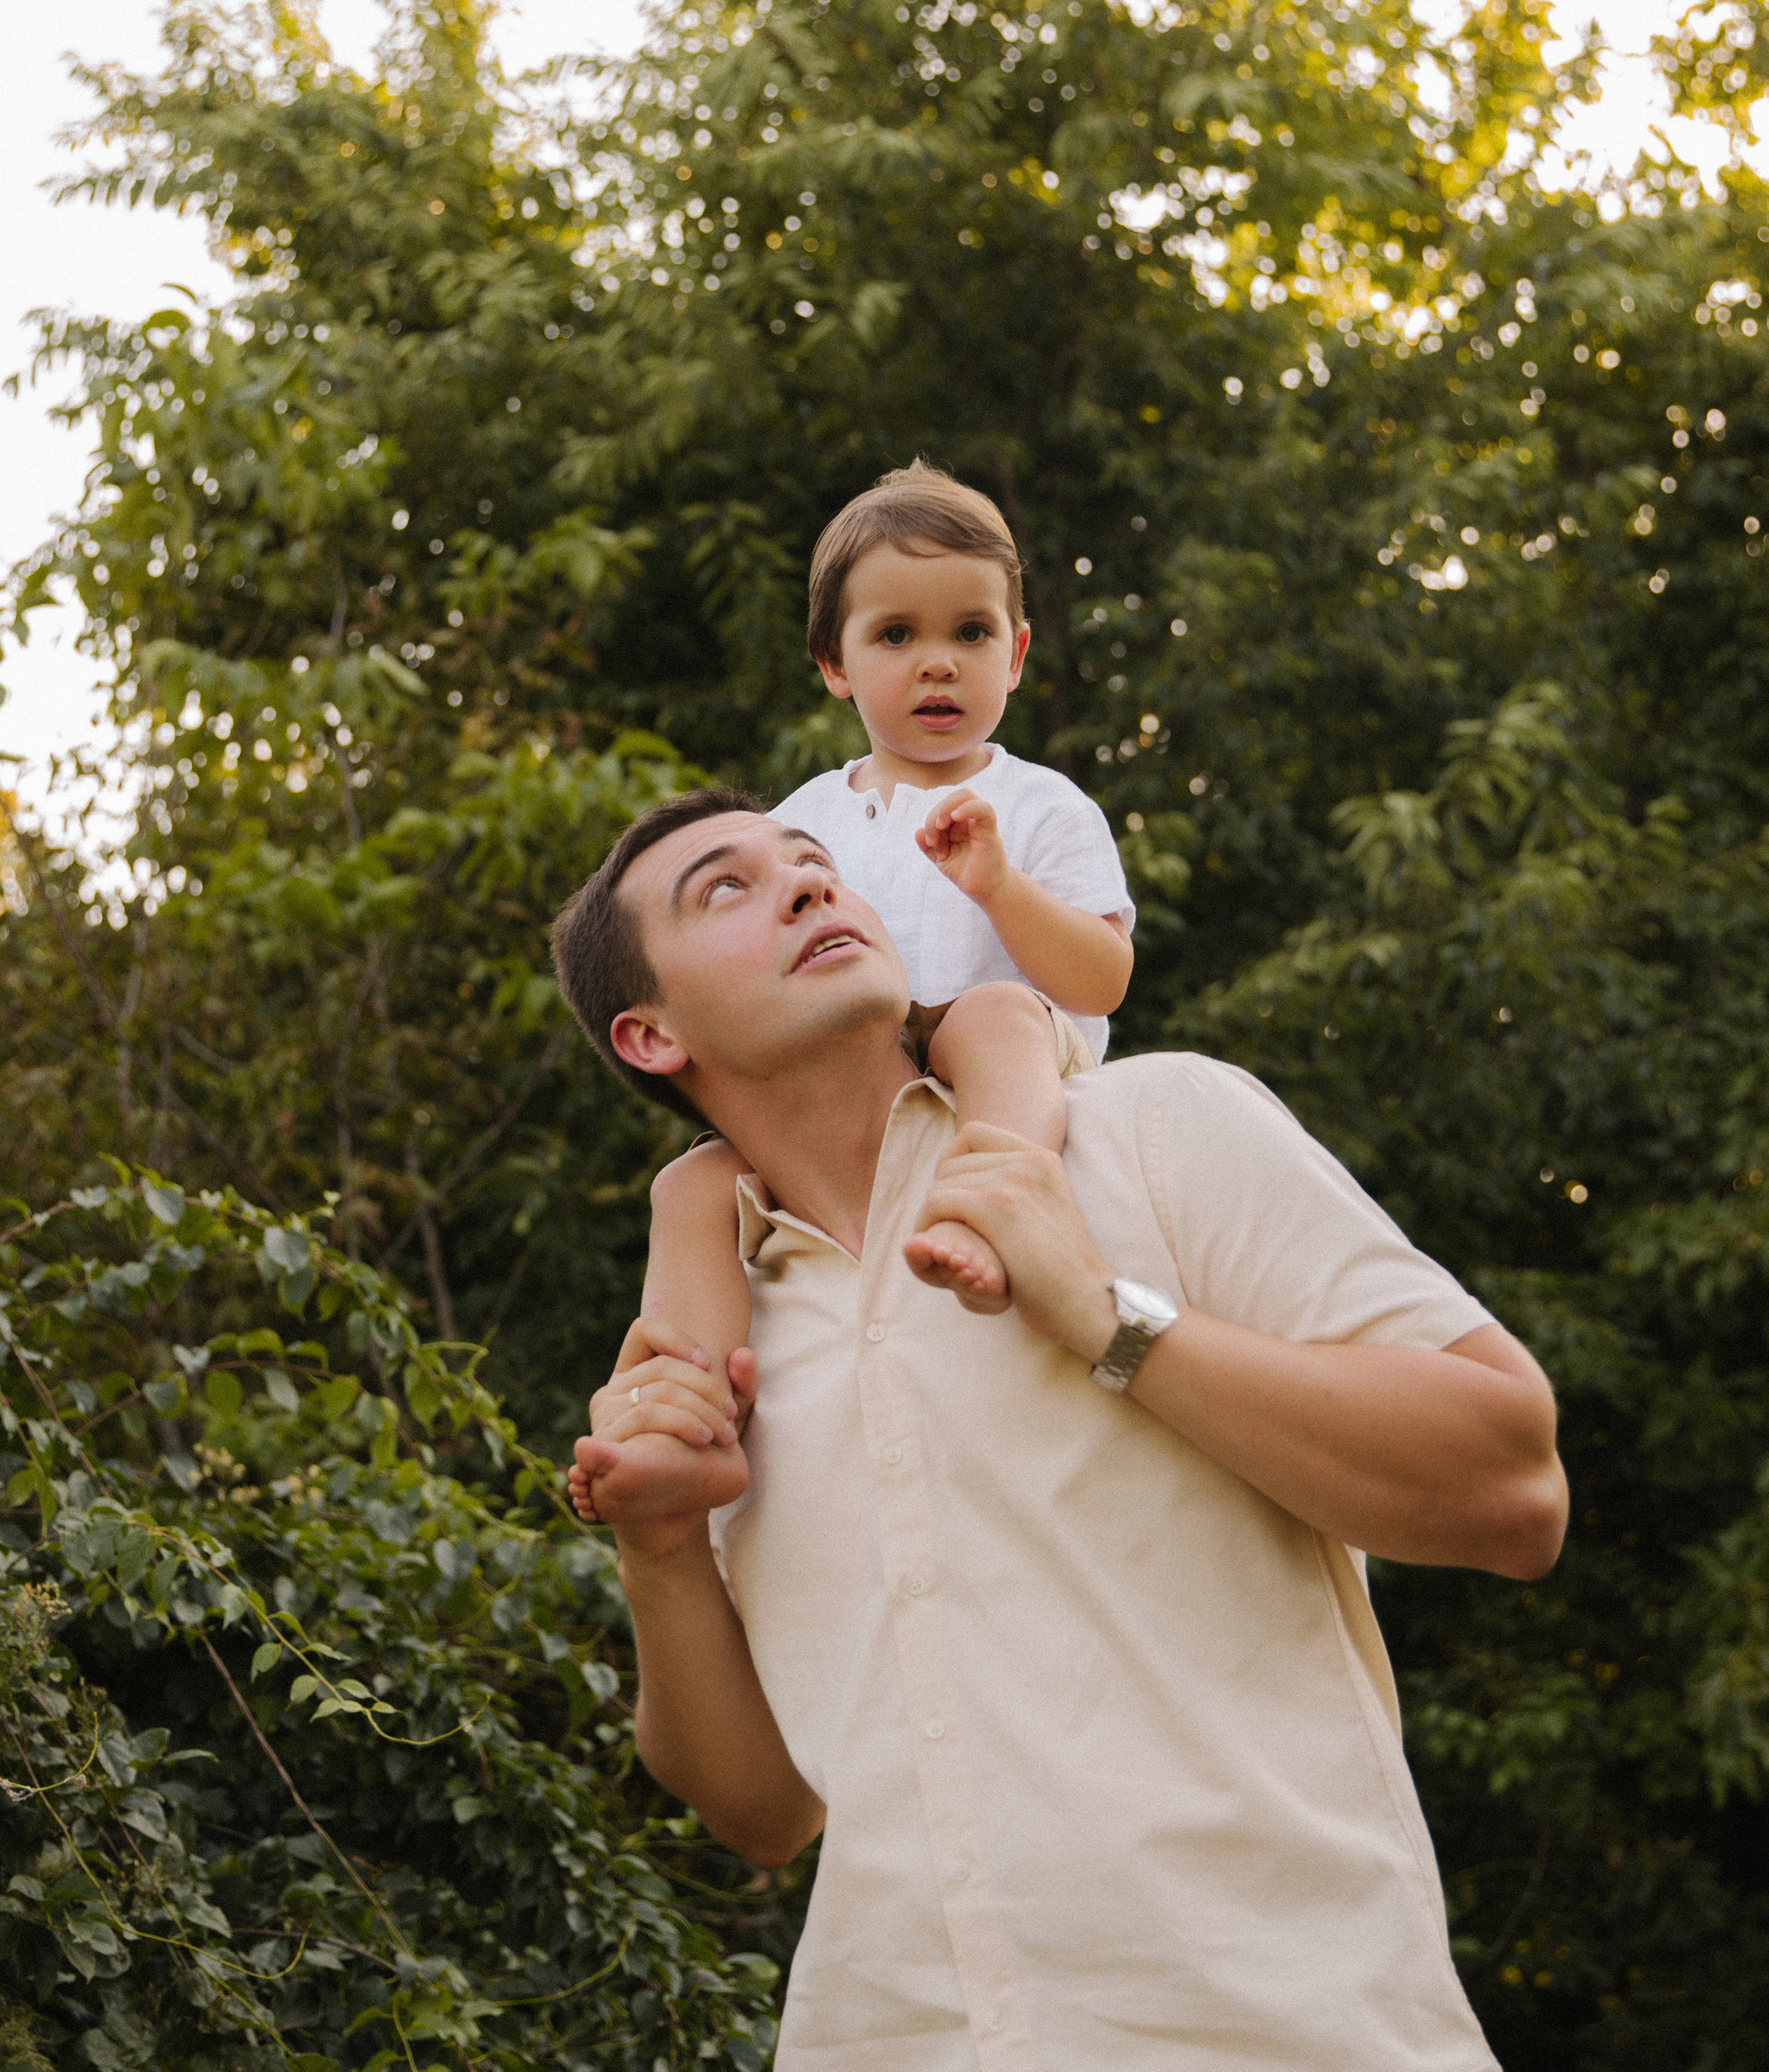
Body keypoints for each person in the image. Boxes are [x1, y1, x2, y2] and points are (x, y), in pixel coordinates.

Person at [551, 792, 1567, 2069]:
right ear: (649, 1034)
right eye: (728, 888)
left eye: (814, 862)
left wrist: (1106, 1318)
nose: (810, 886)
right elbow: (762, 1810)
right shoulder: (712, 1347)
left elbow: (1513, 1488)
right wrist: (659, 1548)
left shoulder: (1154, 1130)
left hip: (1287, 2036)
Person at [570, 463, 1132, 1523]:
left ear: (1016, 654)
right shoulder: (803, 821)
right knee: (691, 1186)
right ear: (836, 664)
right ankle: (683, 1419)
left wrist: (1000, 887)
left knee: (988, 1014)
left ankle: (998, 1206)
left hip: (1009, 1056)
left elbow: (1103, 976)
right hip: (855, 1090)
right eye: (896, 635)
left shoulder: (1037, 804)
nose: (938, 662)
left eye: (972, 632)